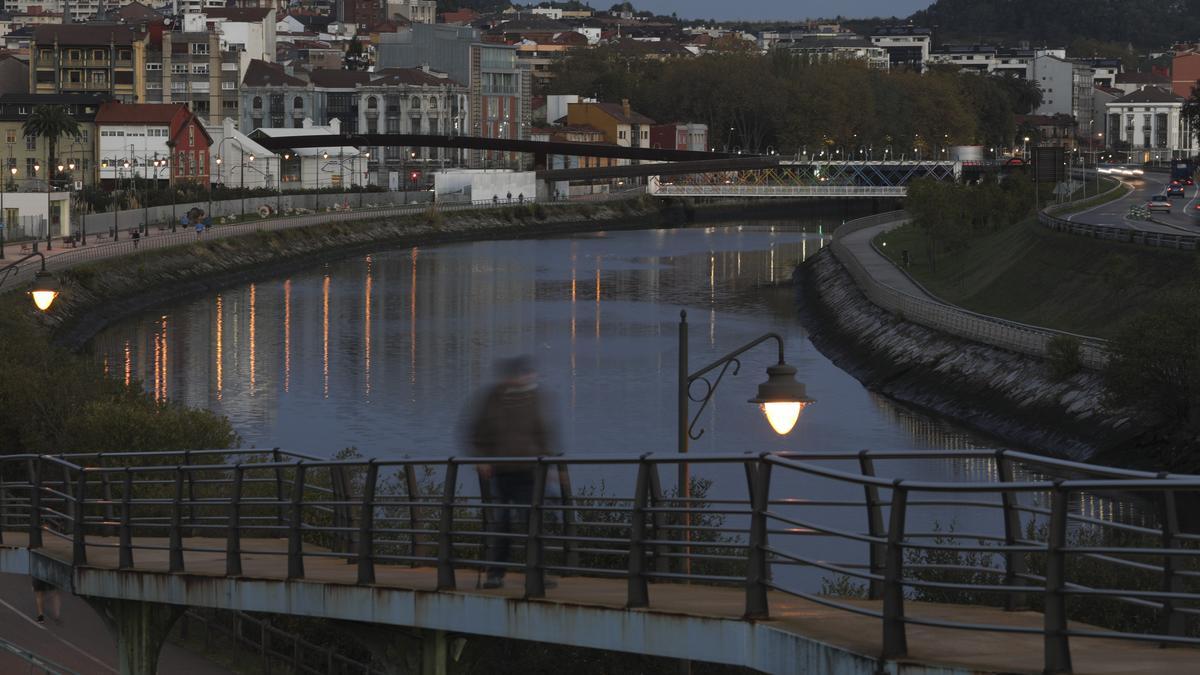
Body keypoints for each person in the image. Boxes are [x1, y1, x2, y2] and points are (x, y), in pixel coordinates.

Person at [468, 356, 560, 589]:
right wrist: (482, 459)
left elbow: (543, 432)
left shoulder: (535, 398)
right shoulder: (494, 399)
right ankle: (495, 574)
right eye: (521, 374)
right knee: (503, 522)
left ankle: (537, 573)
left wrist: (547, 462)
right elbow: (476, 431)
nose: (525, 378)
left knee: (532, 522)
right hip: (501, 471)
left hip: (530, 471)